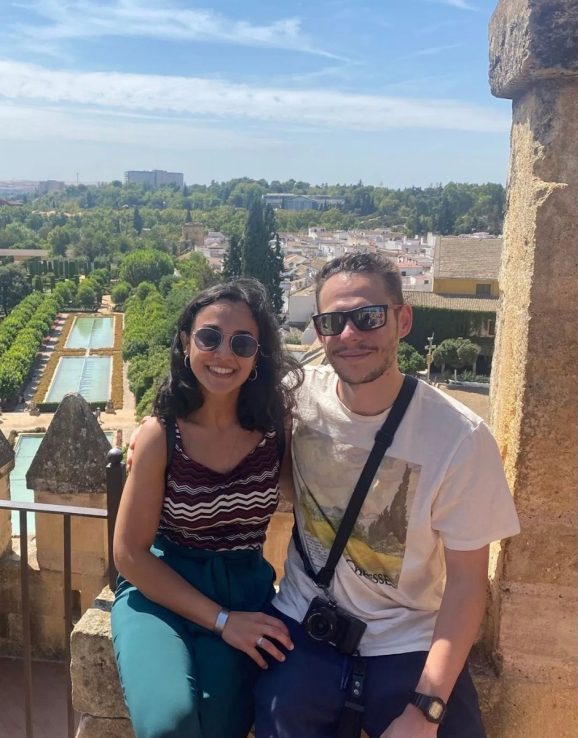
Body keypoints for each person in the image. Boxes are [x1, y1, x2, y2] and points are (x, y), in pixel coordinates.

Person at [253, 252, 520, 738]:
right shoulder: (295, 399)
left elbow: (465, 584)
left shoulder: (459, 438)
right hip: (303, 626)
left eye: (367, 317)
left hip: (408, 643)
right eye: (333, 321)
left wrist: (427, 709)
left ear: (403, 320)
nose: (349, 335)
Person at [112, 278, 303, 738]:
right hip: (161, 593)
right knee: (168, 724)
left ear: (259, 354)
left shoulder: (278, 432)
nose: (224, 355)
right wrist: (222, 622)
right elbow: (130, 556)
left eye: (242, 342)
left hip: (244, 593)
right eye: (209, 337)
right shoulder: (162, 437)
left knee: (222, 724)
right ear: (186, 342)